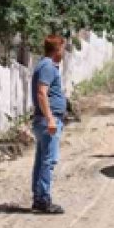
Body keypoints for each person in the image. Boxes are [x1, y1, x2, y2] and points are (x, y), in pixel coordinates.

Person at [30, 34, 67, 214]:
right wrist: (51, 118)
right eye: (63, 48)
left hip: (44, 120)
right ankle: (43, 199)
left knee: (41, 160)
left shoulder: (45, 66)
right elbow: (42, 93)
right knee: (48, 161)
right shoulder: (47, 67)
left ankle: (39, 198)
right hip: (47, 121)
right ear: (57, 49)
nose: (64, 52)